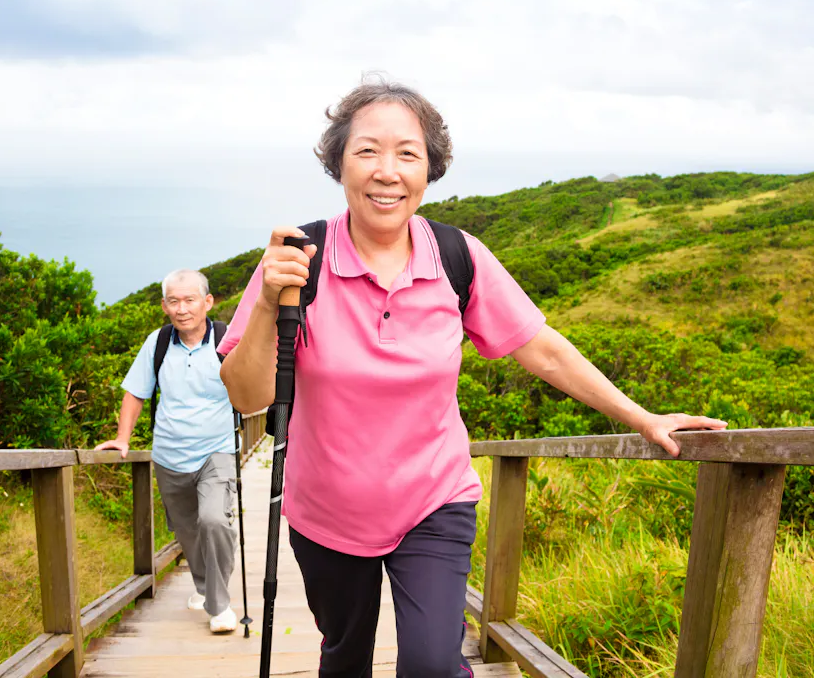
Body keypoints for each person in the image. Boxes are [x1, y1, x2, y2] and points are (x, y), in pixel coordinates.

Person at [217, 78, 727, 676]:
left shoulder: (458, 257)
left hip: (434, 499)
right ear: (338, 163)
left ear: (430, 169)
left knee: (434, 665)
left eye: (408, 153)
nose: (388, 171)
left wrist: (642, 417)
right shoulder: (299, 259)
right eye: (367, 151)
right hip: (326, 509)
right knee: (344, 656)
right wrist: (264, 304)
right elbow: (249, 395)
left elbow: (544, 350)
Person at [95, 268, 239, 634]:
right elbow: (136, 393)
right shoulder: (157, 344)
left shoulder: (227, 341)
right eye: (173, 301)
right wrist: (123, 438)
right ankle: (207, 589)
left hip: (218, 451)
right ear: (164, 306)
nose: (182, 308)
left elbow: (253, 383)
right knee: (188, 532)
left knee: (214, 520)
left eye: (190, 299)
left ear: (208, 302)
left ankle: (219, 607)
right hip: (170, 456)